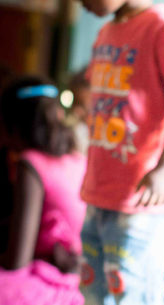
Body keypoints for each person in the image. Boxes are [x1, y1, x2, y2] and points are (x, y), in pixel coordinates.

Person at [77, 0, 164, 304]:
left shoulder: (162, 27)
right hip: (100, 190)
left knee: (132, 292)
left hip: (143, 194)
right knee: (92, 288)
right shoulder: (106, 32)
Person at [0, 76, 87, 305]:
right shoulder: (78, 160)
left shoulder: (30, 164)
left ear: (14, 123)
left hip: (47, 284)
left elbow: (17, 261)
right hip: (73, 277)